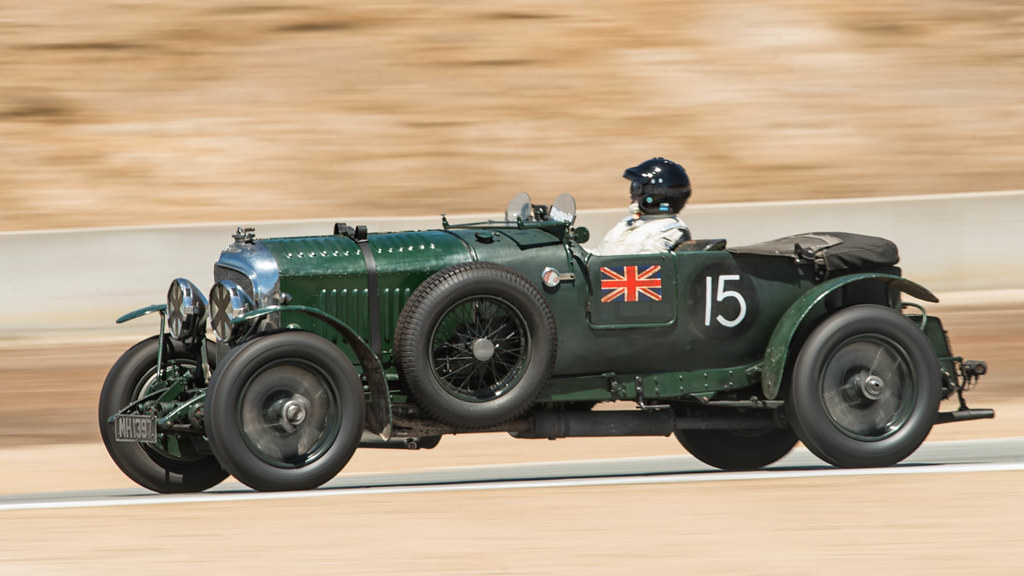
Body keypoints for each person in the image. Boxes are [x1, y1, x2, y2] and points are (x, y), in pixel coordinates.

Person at [591, 157, 692, 255]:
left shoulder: (670, 230)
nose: (631, 193)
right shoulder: (625, 224)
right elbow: (598, 256)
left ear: (656, 196)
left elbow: (645, 263)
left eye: (637, 187)